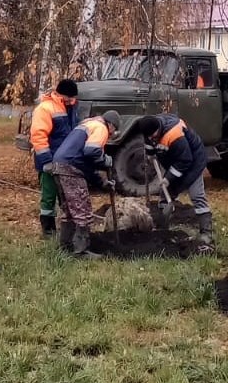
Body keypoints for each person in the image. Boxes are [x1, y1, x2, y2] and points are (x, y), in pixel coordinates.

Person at [46, 110, 121, 259]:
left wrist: (102, 183)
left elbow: (87, 165)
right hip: (71, 168)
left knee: (68, 210)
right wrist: (105, 159)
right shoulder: (101, 128)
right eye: (114, 131)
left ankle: (65, 246)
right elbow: (91, 152)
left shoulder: (88, 124)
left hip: (59, 166)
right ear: (111, 125)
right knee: (83, 210)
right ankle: (81, 251)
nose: (111, 135)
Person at [136, 113, 214, 253]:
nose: (151, 139)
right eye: (148, 137)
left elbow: (185, 160)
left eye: (153, 136)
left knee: (197, 196)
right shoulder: (149, 130)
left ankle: (206, 233)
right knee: (165, 196)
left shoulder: (174, 134)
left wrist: (168, 178)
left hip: (193, 163)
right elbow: (150, 146)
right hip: (175, 162)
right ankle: (162, 230)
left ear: (159, 129)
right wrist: (150, 155)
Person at [29, 79, 79, 238]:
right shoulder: (45, 109)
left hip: (65, 162)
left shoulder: (70, 107)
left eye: (73, 99)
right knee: (49, 197)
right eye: (69, 98)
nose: (72, 101)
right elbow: (38, 136)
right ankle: (48, 231)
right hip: (49, 163)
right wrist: (47, 162)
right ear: (60, 94)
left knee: (66, 197)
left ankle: (67, 231)